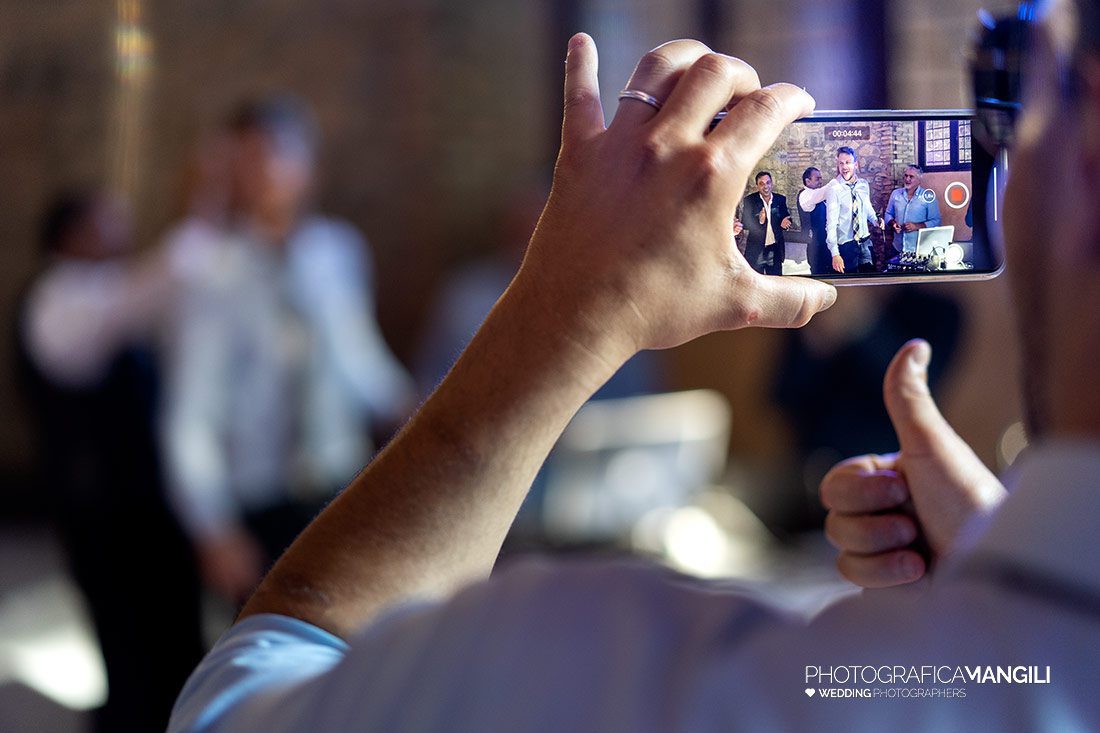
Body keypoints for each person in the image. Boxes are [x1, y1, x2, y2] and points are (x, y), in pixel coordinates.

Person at [171, 4, 1100, 727]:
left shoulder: (613, 677)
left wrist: (566, 316)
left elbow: (246, 702)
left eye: (1013, 72)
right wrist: (990, 582)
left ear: (1089, 158)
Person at [160, 96, 416, 605]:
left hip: (339, 479)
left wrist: (411, 409)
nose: (264, 173)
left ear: (308, 168)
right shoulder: (208, 271)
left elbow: (357, 355)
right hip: (258, 494)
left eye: (277, 154)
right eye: (248, 159)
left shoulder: (336, 250)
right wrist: (213, 526)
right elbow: (191, 412)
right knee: (271, 632)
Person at [18, 191, 204, 733]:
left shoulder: (101, 291)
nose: (122, 235)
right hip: (101, 507)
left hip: (137, 501)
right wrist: (201, 222)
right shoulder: (60, 300)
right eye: (106, 226)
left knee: (166, 629)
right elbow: (134, 300)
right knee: (127, 633)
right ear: (70, 237)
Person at [824, 146, 883, 274]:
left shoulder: (863, 185)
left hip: (865, 243)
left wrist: (876, 220)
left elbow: (867, 208)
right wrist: (835, 254)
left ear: (855, 164)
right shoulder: (834, 189)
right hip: (846, 247)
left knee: (870, 280)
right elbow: (831, 224)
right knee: (850, 283)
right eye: (841, 163)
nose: (844, 167)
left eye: (848, 162)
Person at [740, 170, 792, 275]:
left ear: (772, 183)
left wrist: (786, 223)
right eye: (761, 184)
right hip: (756, 250)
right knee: (756, 281)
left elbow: (787, 217)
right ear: (757, 186)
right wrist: (759, 220)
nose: (765, 186)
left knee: (775, 281)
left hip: (774, 250)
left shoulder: (780, 199)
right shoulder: (750, 200)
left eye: (768, 182)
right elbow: (745, 223)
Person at [884, 164, 942, 253]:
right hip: (897, 247)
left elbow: (936, 221)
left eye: (911, 177)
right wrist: (893, 223)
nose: (907, 179)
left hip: (919, 249)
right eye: (906, 176)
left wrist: (917, 226)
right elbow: (888, 214)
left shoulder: (928, 196)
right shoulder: (895, 194)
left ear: (919, 180)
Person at [796, 165, 839, 274]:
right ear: (808, 181)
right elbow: (824, 191)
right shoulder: (805, 195)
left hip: (826, 243)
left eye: (821, 178)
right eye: (817, 179)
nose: (820, 181)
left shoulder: (818, 194)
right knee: (819, 274)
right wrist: (839, 178)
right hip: (816, 246)